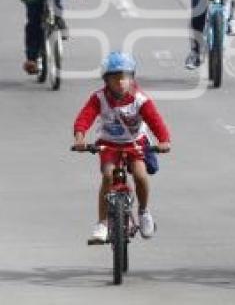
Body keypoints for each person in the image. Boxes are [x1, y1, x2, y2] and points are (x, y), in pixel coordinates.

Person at [73, 51, 172, 243]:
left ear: (132, 78)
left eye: (125, 77)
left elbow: (156, 121)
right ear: (106, 80)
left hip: (135, 143)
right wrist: (79, 137)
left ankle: (143, 212)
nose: (120, 82)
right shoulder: (99, 98)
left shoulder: (140, 99)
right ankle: (102, 224)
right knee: (108, 175)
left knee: (140, 175)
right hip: (108, 144)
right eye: (115, 78)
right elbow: (85, 117)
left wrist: (164, 141)